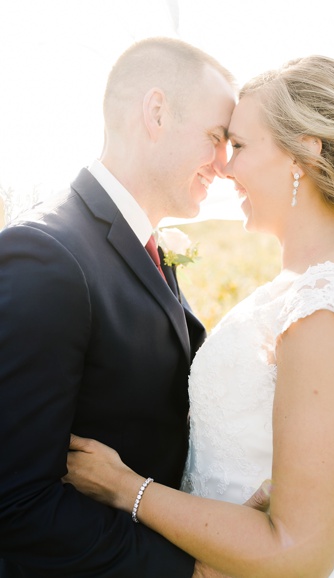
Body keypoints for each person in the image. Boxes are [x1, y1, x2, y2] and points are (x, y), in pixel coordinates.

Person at [64, 55, 334, 577]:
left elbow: (298, 552)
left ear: (304, 149)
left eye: (238, 145)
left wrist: (127, 489)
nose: (223, 165)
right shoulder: (300, 285)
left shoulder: (329, 307)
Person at [0, 37, 236, 576]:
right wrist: (187, 570)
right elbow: (15, 503)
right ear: (156, 112)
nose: (224, 165)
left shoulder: (147, 245)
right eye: (215, 137)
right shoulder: (46, 256)